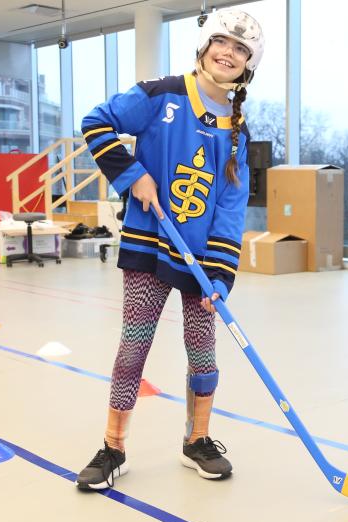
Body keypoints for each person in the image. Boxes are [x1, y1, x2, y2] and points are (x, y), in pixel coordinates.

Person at [74, 8, 264, 489]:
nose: (230, 53)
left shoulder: (238, 133)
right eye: (223, 42)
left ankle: (197, 440)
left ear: (247, 66)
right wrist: (133, 176)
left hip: (200, 260)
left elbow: (230, 207)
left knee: (203, 353)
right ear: (204, 47)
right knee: (132, 349)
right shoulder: (161, 94)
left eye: (241, 50)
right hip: (148, 244)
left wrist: (220, 275)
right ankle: (113, 448)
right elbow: (96, 122)